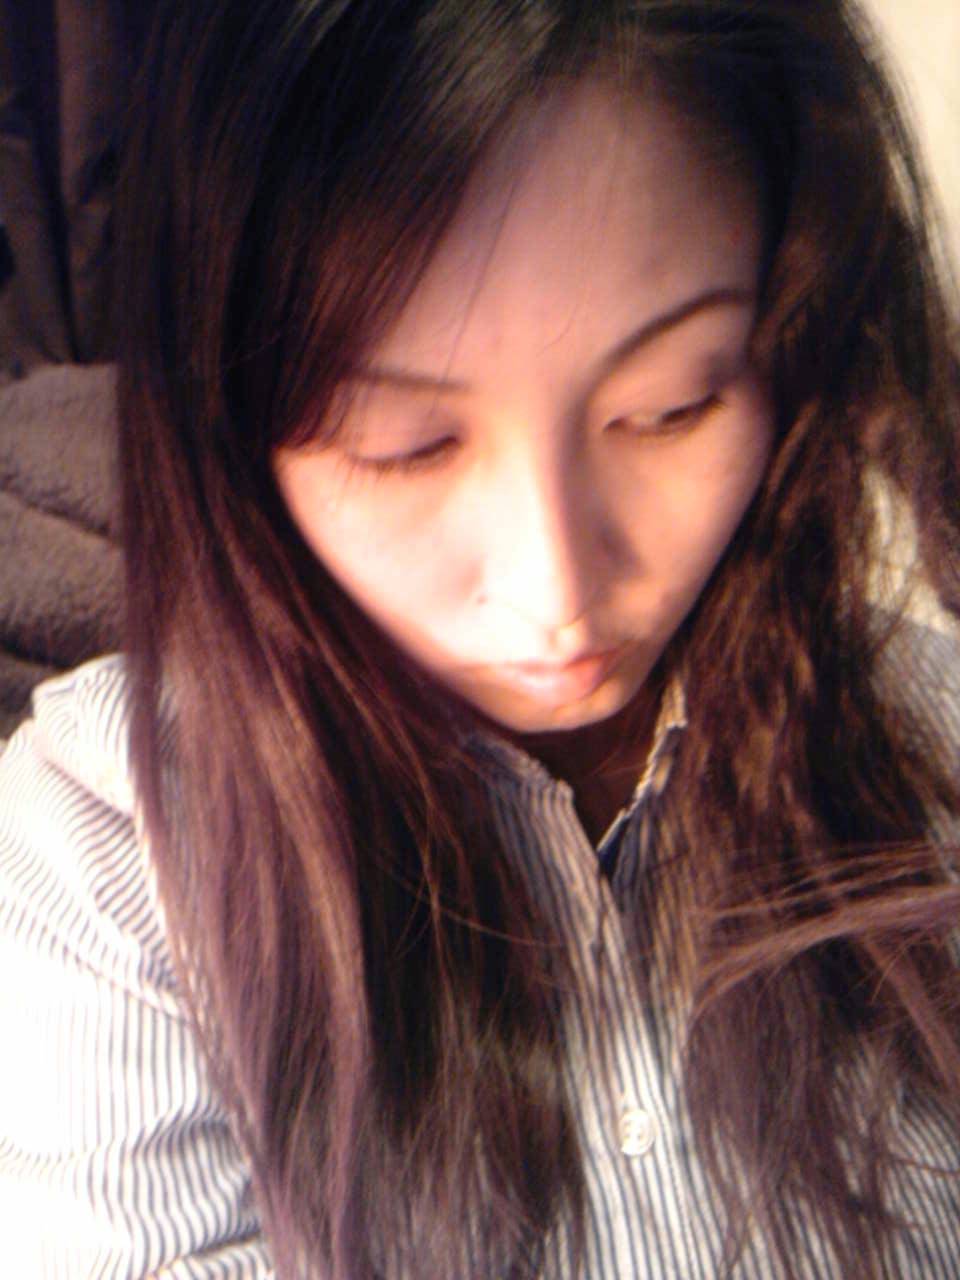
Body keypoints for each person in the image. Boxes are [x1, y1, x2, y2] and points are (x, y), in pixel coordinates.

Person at [2, 0, 960, 1275]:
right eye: (404, 447)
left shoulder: (930, 744)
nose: (558, 592)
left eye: (672, 408)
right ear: (229, 424)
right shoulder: (114, 856)